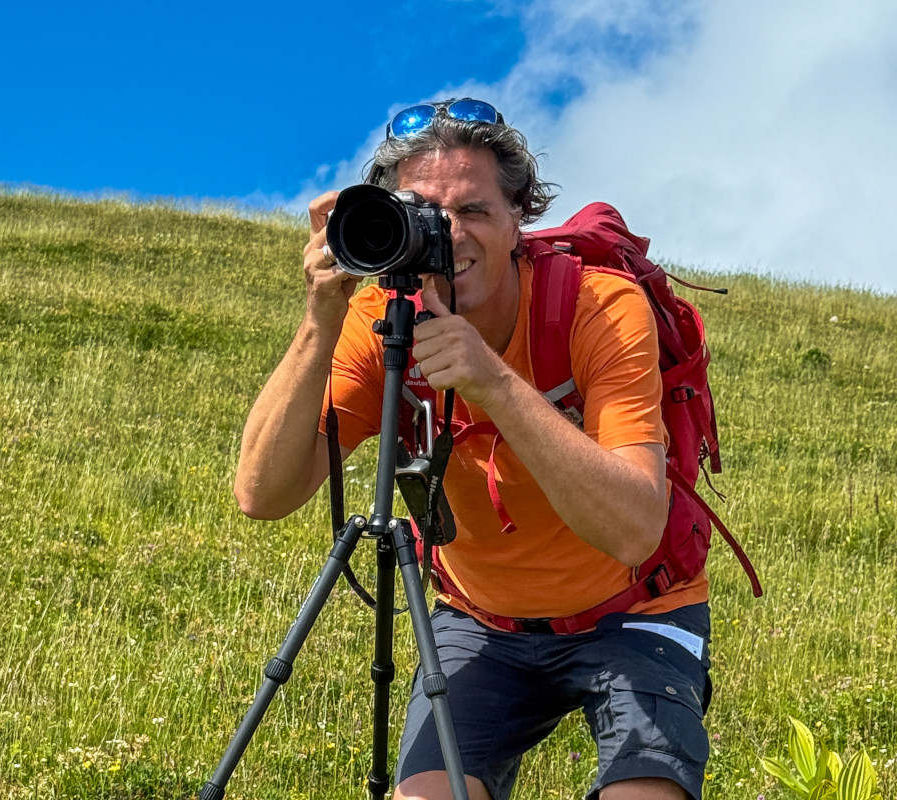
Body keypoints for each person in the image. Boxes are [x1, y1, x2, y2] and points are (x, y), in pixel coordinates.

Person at [233, 98, 712, 800]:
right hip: (481, 619)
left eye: (473, 210)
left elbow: (635, 529)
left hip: (637, 608)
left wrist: (493, 381)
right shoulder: (381, 322)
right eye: (423, 211)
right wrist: (320, 316)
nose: (447, 232)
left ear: (521, 216)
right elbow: (262, 494)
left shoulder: (598, 307)